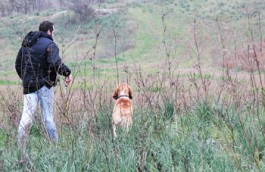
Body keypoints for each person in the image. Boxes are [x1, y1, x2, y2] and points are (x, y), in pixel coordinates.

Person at [15, 21, 72, 153]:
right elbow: (55, 63)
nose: (53, 34)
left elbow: (18, 64)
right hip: (45, 86)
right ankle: (55, 147)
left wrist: (26, 78)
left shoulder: (26, 43)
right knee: (48, 118)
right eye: (53, 31)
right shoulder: (50, 45)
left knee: (26, 117)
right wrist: (67, 73)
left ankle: (19, 147)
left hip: (28, 86)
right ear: (49, 31)